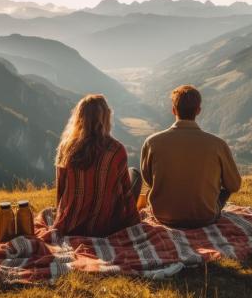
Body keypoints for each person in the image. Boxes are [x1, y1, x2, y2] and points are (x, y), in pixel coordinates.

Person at [140, 85, 241, 228]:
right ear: (198, 111)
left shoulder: (152, 142)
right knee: (227, 185)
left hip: (162, 215)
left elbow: (148, 180)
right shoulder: (217, 144)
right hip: (205, 217)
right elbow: (234, 185)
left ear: (173, 110)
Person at [53, 94, 141, 237]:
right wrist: (136, 224)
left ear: (79, 118)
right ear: (106, 118)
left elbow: (61, 190)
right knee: (134, 175)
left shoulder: (66, 147)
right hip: (105, 228)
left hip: (69, 226)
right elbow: (126, 193)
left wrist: (60, 219)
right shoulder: (116, 150)